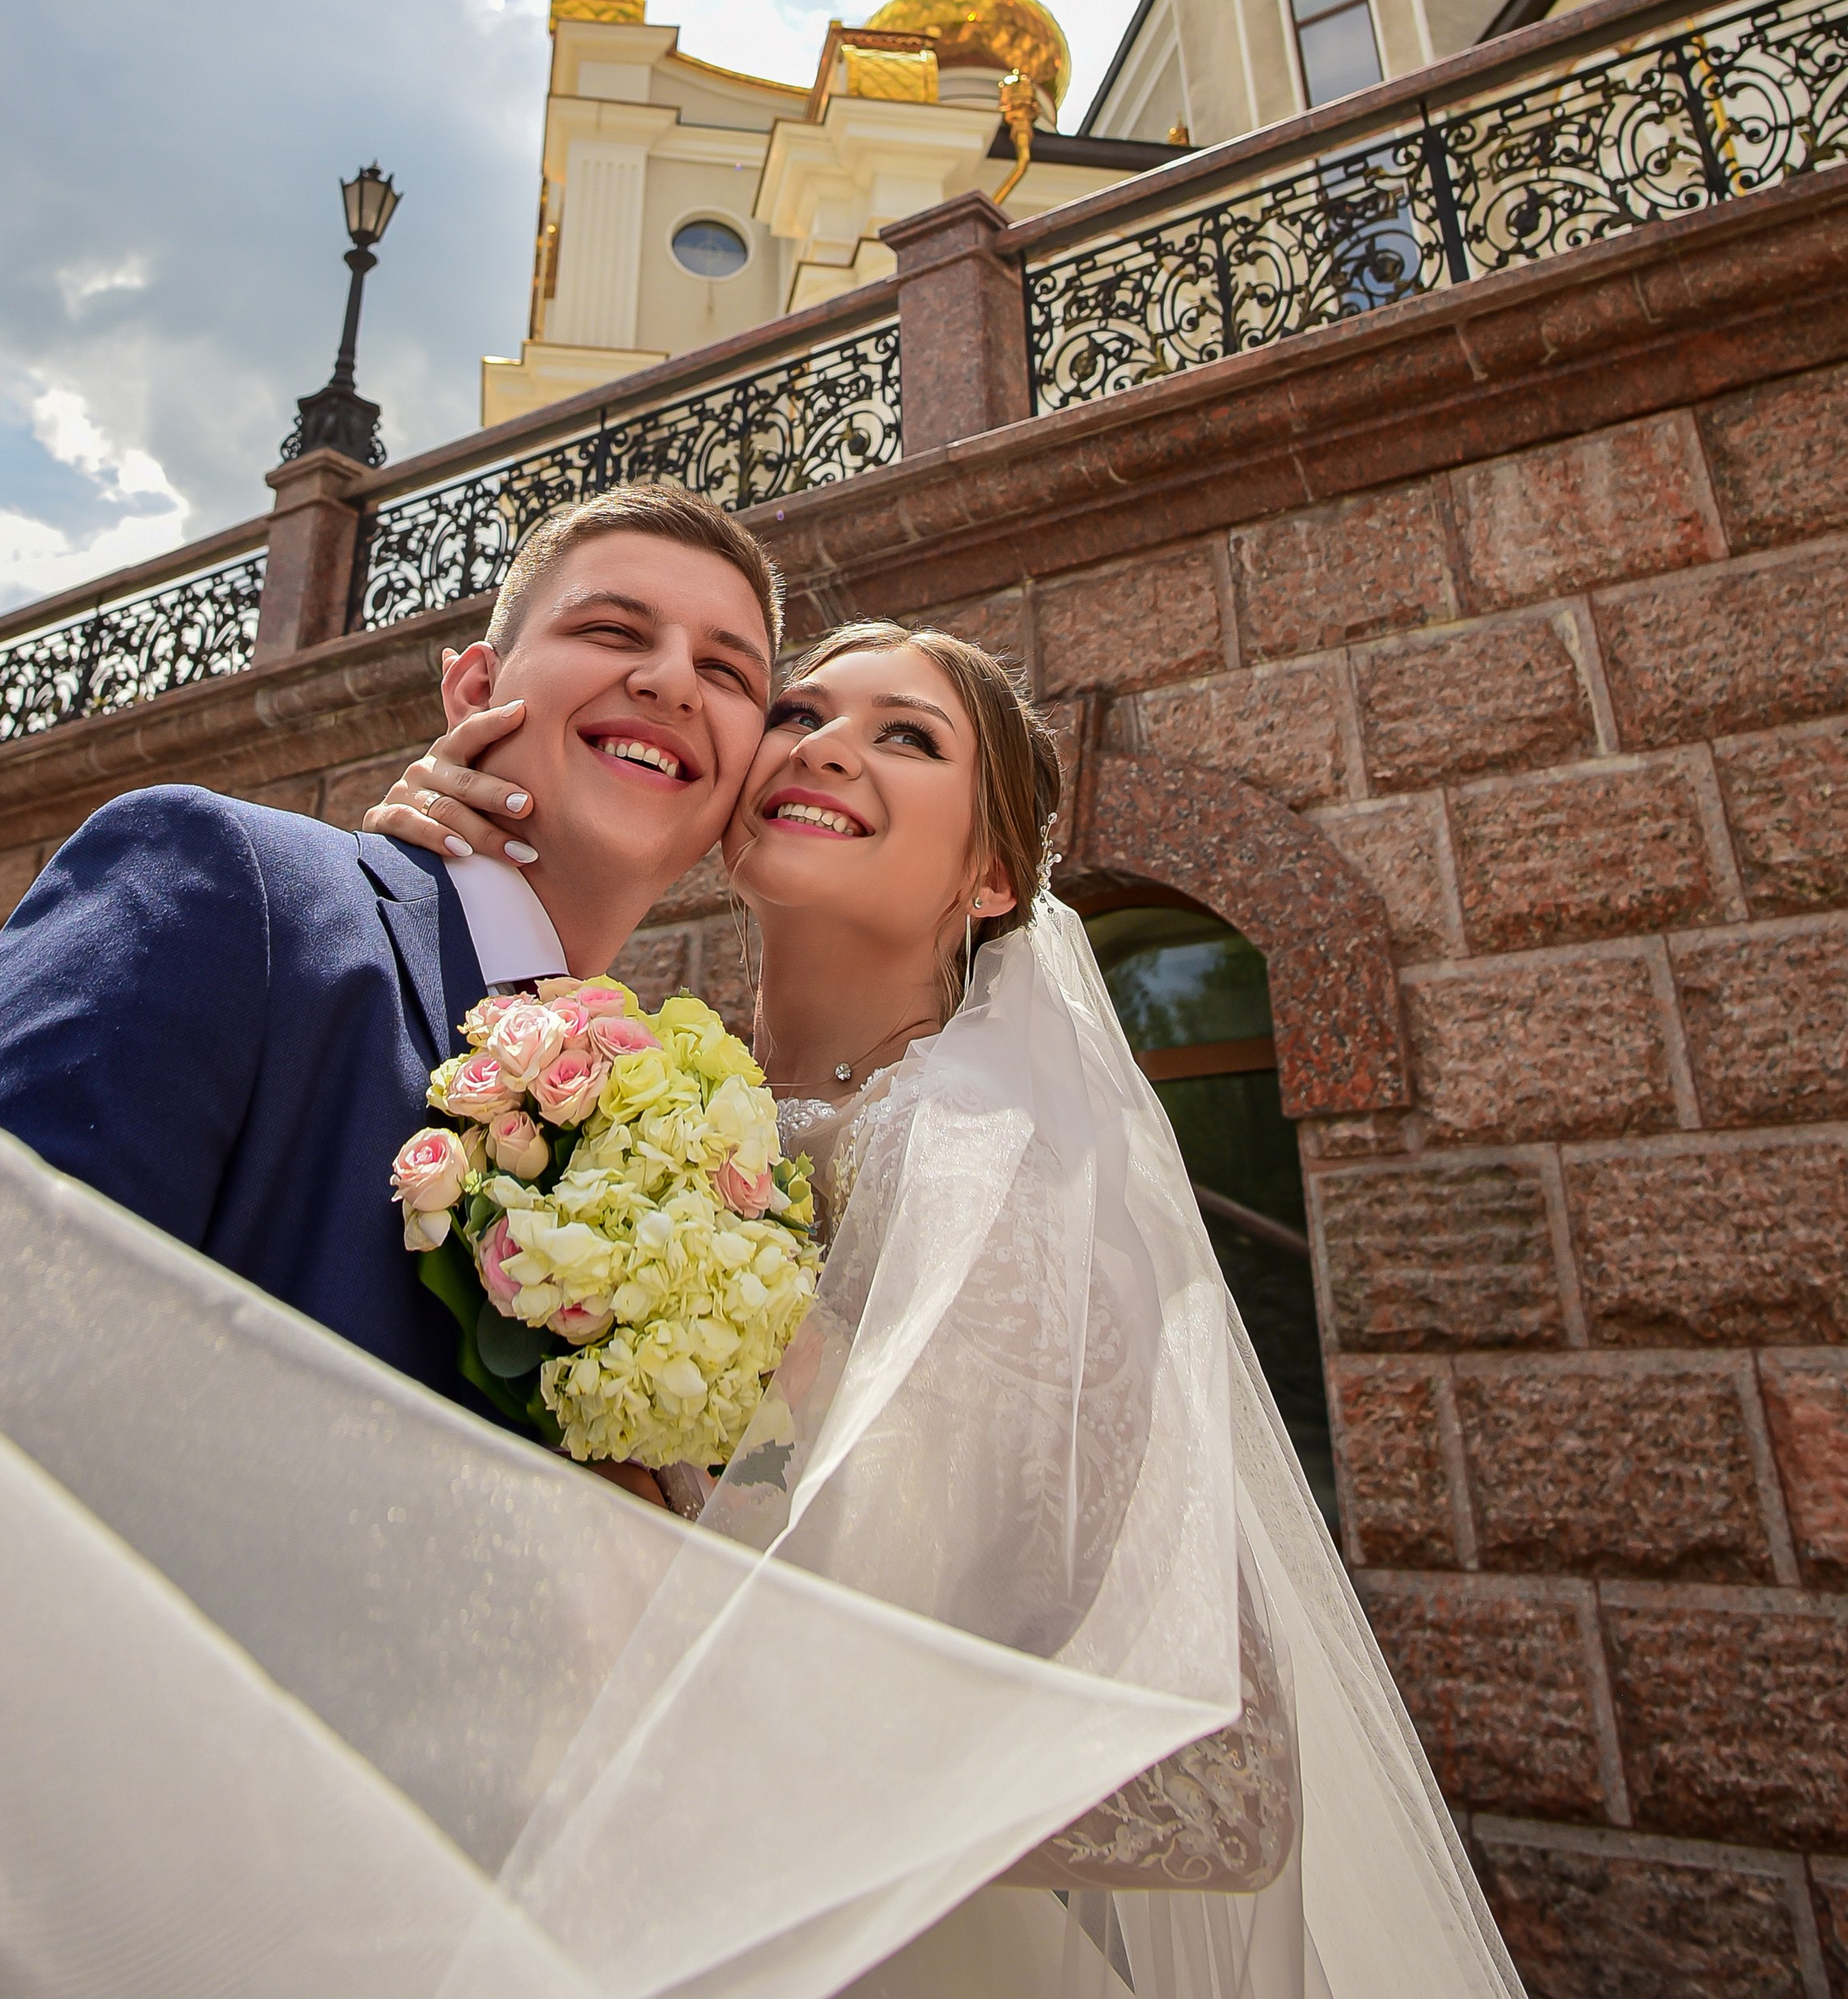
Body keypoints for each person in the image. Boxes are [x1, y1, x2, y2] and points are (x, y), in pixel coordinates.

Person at [374, 618, 1522, 1998]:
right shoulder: (647, 1111)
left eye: (906, 736)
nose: (829, 746)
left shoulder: (984, 1155)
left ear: (990, 876)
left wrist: (659, 1577)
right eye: (798, 715)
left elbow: (1221, 1776)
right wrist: (413, 870)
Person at [0, 481, 780, 1415]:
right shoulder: (222, 884)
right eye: (612, 631)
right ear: (476, 691)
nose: (674, 681)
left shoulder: (666, 1128)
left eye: (728, 673)